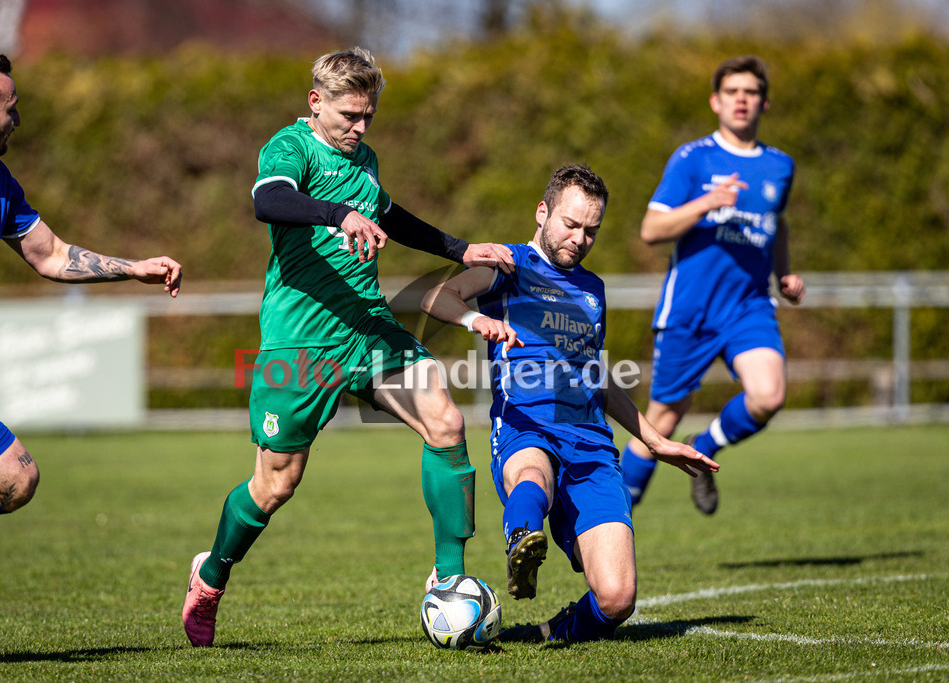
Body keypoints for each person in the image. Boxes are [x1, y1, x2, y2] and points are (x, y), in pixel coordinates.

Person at [182, 46, 514, 647]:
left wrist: (461, 249)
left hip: (367, 329)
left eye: (367, 118)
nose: (359, 129)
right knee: (276, 484)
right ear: (317, 102)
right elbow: (269, 200)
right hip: (301, 342)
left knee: (444, 420)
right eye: (348, 116)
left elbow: (391, 215)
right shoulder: (289, 147)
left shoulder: (365, 159)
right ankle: (210, 576)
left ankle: (451, 578)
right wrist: (338, 216)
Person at [420, 164, 718, 643]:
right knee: (533, 474)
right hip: (525, 424)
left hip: (591, 442)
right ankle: (523, 541)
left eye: (592, 231)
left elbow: (598, 377)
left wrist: (656, 440)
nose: (580, 238)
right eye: (571, 224)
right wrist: (479, 324)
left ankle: (545, 633)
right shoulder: (507, 264)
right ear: (543, 212)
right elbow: (437, 297)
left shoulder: (594, 291)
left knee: (617, 598)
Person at [0, 54, 183, 569]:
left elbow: (51, 255)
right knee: (16, 478)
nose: (16, 120)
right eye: (11, 109)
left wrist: (133, 268)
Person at [620, 55, 805, 515]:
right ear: (715, 101)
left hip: (748, 306)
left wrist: (783, 274)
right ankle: (611, 520)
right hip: (691, 308)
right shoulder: (692, 158)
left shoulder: (780, 165)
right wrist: (708, 202)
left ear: (764, 102)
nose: (742, 100)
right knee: (659, 421)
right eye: (732, 92)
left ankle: (705, 449)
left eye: (751, 92)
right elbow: (651, 229)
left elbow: (776, 224)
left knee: (769, 395)